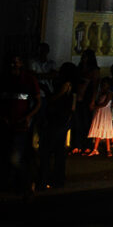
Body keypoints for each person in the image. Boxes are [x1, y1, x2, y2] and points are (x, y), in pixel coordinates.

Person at [1, 54, 41, 199]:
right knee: (9, 154)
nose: (14, 65)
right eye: (12, 63)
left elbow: (37, 102)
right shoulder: (6, 79)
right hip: (8, 123)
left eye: (16, 62)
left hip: (22, 124)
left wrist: (28, 117)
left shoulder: (28, 79)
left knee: (16, 157)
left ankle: (27, 183)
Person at [37, 62, 76, 190]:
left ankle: (44, 180)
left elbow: (55, 99)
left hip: (57, 119)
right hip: (63, 120)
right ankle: (58, 180)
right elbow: (73, 107)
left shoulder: (64, 85)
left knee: (47, 151)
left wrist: (49, 95)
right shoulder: (71, 86)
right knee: (59, 152)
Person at [86, 78, 113, 157]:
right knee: (98, 129)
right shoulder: (100, 92)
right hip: (99, 112)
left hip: (105, 113)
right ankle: (95, 149)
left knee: (106, 131)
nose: (103, 86)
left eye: (105, 84)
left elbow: (105, 104)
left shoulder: (109, 93)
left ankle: (108, 149)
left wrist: (95, 107)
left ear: (108, 85)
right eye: (102, 84)